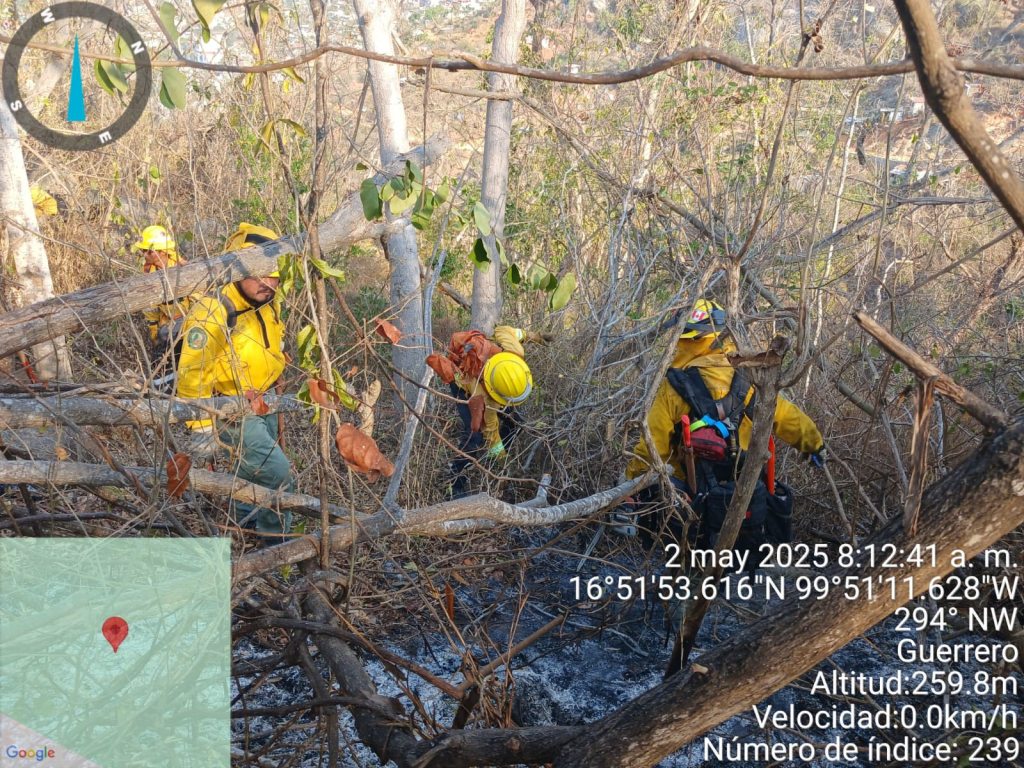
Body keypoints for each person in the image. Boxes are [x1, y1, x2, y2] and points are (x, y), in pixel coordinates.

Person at [623, 299, 825, 558]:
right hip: (745, 486)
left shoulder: (674, 386)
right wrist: (813, 444)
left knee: (682, 555)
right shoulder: (749, 377)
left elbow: (654, 443)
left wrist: (634, 483)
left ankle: (688, 579)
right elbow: (784, 414)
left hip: (691, 495)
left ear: (686, 337)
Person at [175, 222, 293, 540]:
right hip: (230, 406)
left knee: (251, 471)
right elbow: (192, 372)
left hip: (264, 399)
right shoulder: (214, 307)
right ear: (238, 266)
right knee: (279, 474)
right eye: (261, 272)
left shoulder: (268, 300)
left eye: (275, 273)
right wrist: (201, 428)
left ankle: (242, 527)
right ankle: (275, 545)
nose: (270, 282)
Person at [426, 326, 547, 499]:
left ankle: (491, 459)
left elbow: (504, 330)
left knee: (515, 422)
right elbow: (491, 431)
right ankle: (455, 484)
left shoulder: (515, 352)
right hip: (463, 386)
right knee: (473, 438)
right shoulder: (483, 396)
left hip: (492, 380)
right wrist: (502, 460)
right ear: (495, 393)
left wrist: (534, 335)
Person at [131, 224, 193, 361]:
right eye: (143, 251)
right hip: (169, 323)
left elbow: (200, 300)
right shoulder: (149, 274)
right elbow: (150, 308)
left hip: (192, 319)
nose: (145, 255)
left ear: (162, 252)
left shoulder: (183, 270)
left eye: (148, 251)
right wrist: (154, 332)